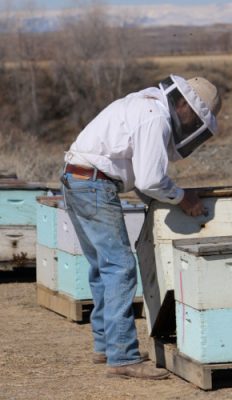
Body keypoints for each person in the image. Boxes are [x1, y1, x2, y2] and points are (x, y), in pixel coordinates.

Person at [60, 75, 221, 380]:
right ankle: (122, 356)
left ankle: (107, 345)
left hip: (77, 179)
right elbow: (149, 180)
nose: (191, 125)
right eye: (196, 118)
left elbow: (139, 178)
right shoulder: (155, 117)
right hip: (93, 185)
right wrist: (182, 197)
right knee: (119, 268)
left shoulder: (145, 103)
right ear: (185, 105)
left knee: (102, 268)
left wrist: (166, 198)